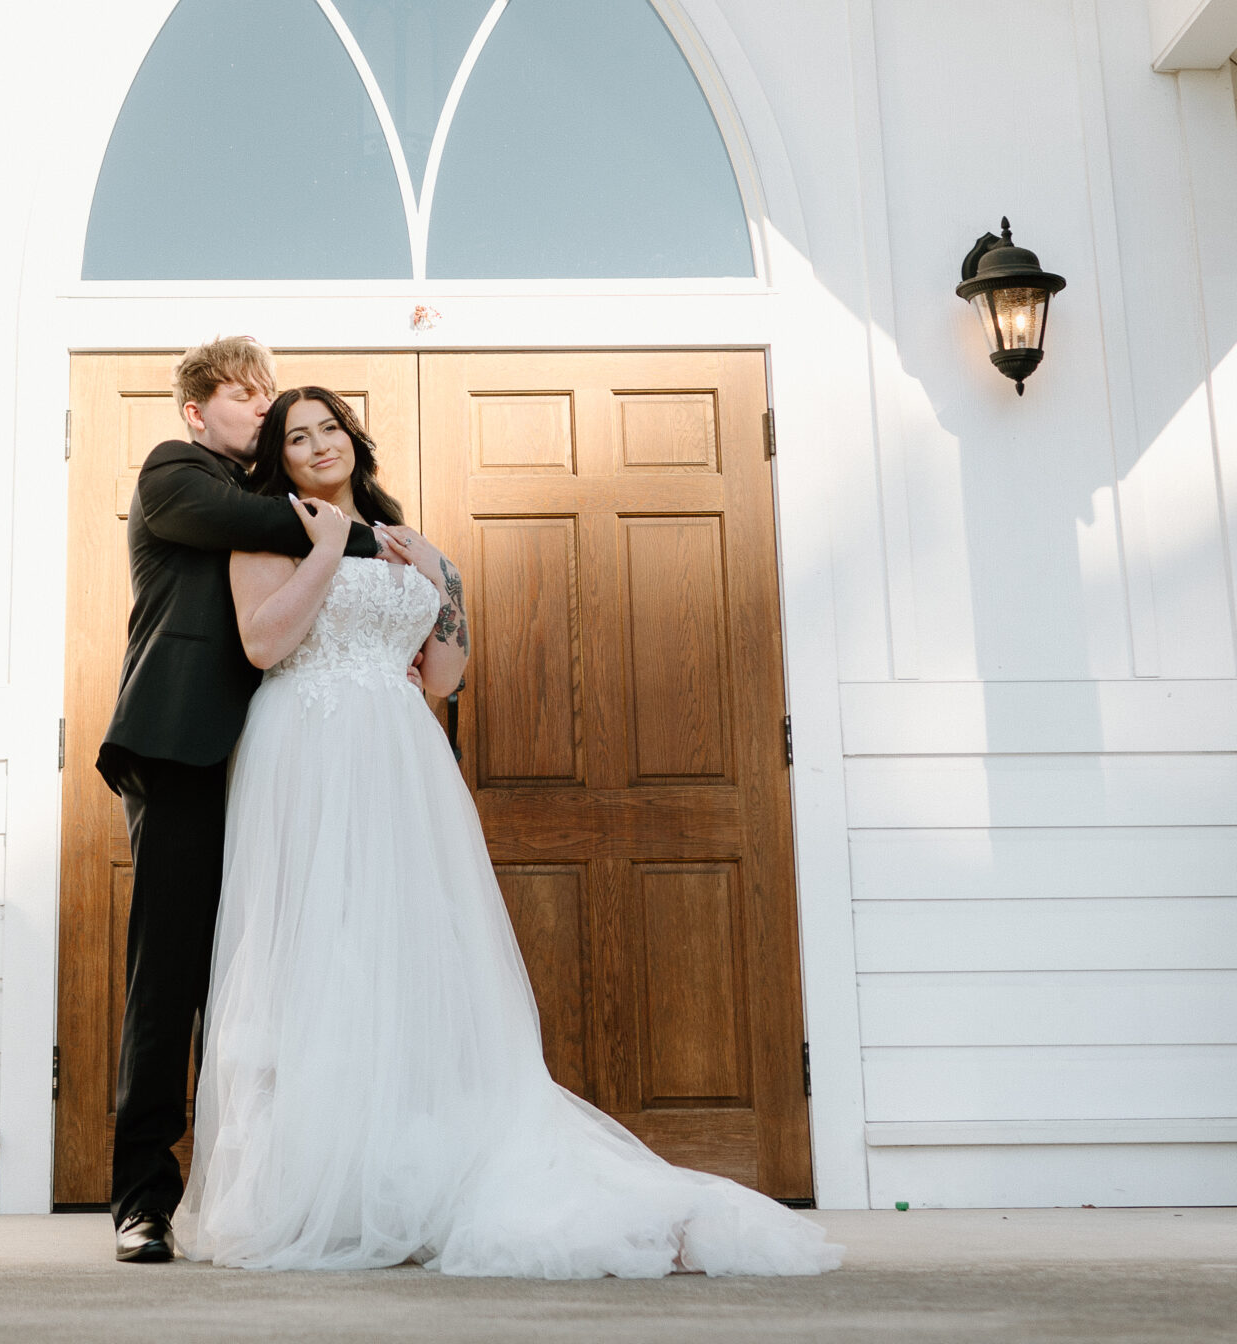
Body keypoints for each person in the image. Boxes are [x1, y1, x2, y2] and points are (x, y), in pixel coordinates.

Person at [173, 386, 842, 1281]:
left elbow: (442, 674)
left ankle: (415, 1161)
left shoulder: (409, 542)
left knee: (410, 948)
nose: (317, 445)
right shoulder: (270, 529)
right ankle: (317, 1181)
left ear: (352, 439)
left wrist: (443, 580)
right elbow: (262, 644)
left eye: (328, 427)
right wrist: (325, 552)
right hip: (306, 750)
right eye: (296, 437)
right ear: (280, 459)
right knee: (314, 948)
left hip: (400, 755)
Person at [97, 338, 397, 1264]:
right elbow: (245, 517)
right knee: (174, 974)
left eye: (271, 395)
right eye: (243, 396)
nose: (263, 408)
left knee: (288, 969)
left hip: (288, 757)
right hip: (186, 752)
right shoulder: (176, 474)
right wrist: (350, 528)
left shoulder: (280, 499)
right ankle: (142, 1196)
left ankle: (289, 1178)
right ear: (196, 412)